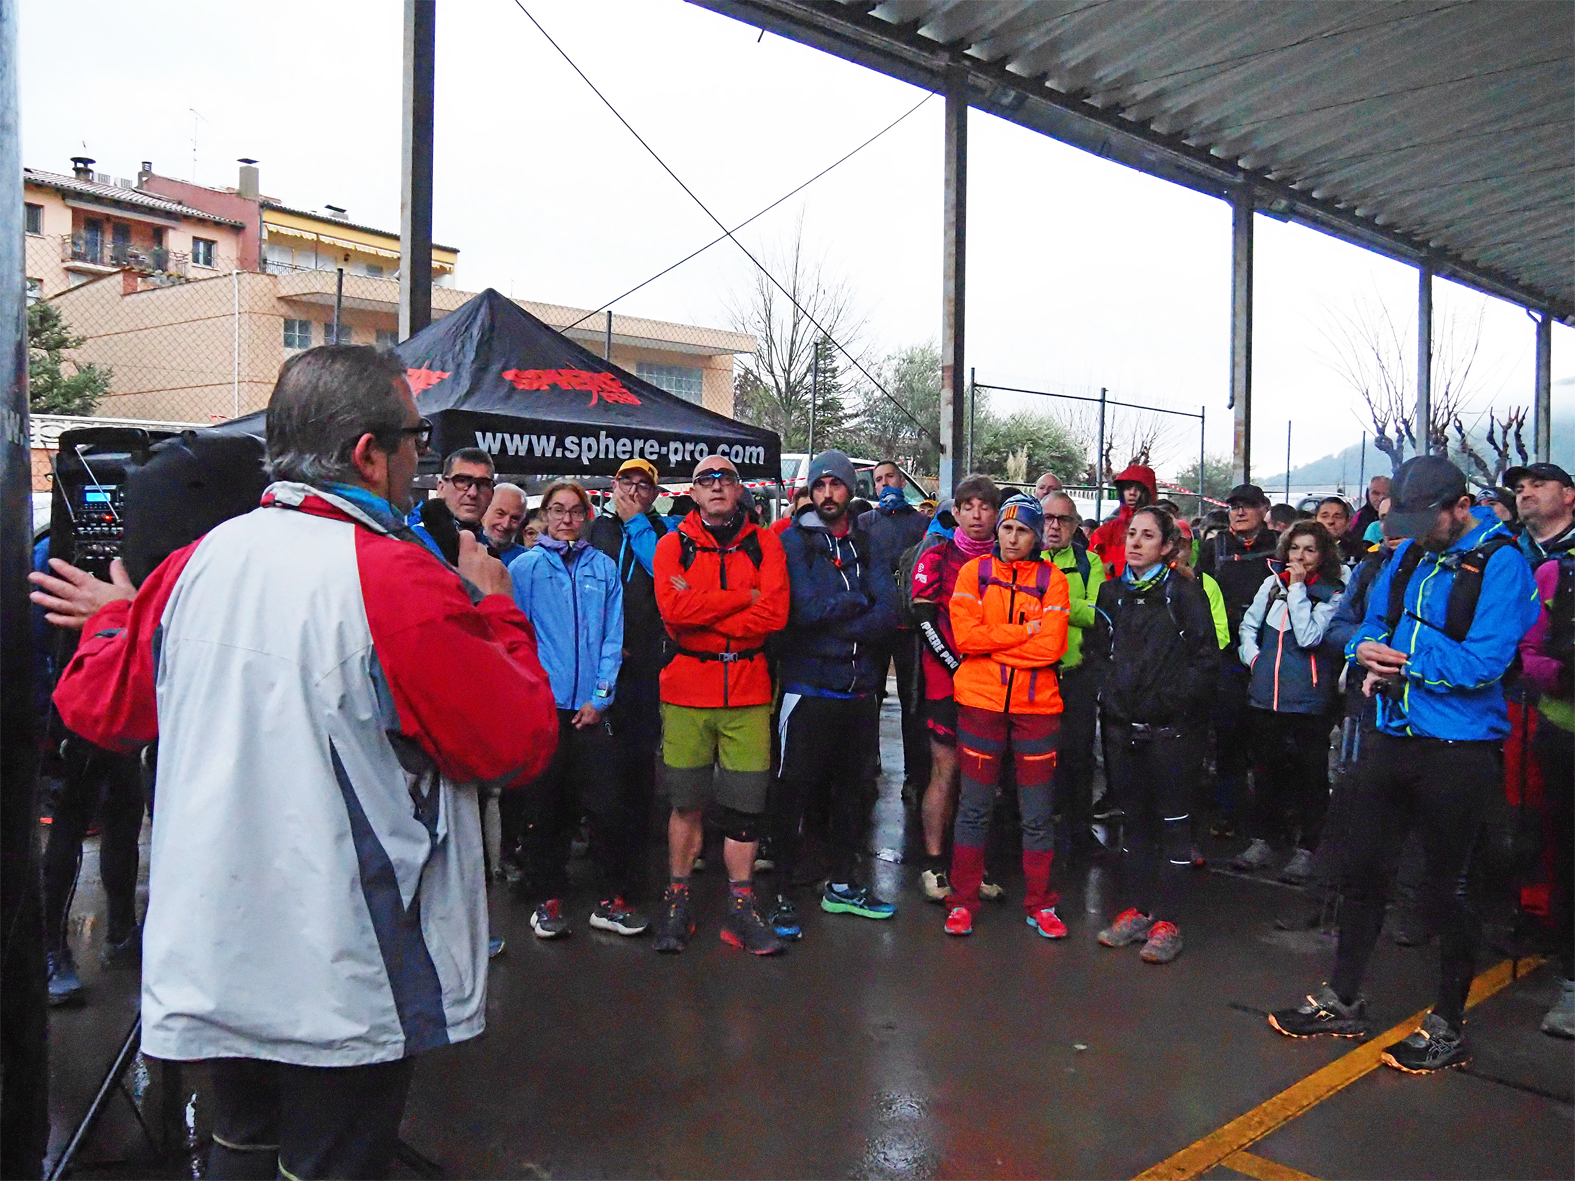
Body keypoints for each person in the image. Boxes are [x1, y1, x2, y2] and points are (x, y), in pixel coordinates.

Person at [33, 345, 558, 1179]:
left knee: (240, 1148)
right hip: (344, 969)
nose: (420, 460)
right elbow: (517, 741)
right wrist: (495, 607)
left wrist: (118, 620)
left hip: (216, 954)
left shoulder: (188, 569)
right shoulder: (401, 580)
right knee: (332, 1162)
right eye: (415, 440)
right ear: (366, 452)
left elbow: (96, 705)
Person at [1269, 456, 1537, 1074]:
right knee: (1363, 873)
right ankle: (1343, 996)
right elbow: (1361, 624)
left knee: (1449, 889)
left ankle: (1448, 1021)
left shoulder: (1501, 563)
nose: (1415, 531)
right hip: (1391, 736)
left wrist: (1401, 657)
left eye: (1427, 518)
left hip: (1459, 751)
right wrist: (1367, 649)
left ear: (1460, 505)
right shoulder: (1407, 554)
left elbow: (1486, 663)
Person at [651, 454, 790, 955]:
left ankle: (741, 906)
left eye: (725, 479)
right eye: (705, 480)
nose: (715, 486)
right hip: (687, 691)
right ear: (691, 491)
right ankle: (678, 899)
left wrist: (705, 608)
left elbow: (774, 615)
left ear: (737, 490)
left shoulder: (765, 541)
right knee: (685, 803)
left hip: (749, 692)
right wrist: (740, 598)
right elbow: (672, 611)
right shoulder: (673, 544)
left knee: (744, 808)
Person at [774, 451, 902, 937]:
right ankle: (783, 890)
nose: (828, 494)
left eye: (837, 484)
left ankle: (843, 884)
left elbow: (888, 613)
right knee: (794, 792)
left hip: (859, 693)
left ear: (850, 489)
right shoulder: (792, 542)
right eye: (820, 485)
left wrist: (846, 619)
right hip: (808, 690)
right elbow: (802, 612)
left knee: (854, 793)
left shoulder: (868, 543)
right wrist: (855, 609)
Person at [1091, 507, 1219, 964]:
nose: (1136, 542)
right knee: (1135, 823)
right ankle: (1139, 910)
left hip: (1172, 732)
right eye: (1132, 534)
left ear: (1167, 546)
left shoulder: (1185, 593)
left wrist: (1169, 702)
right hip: (1124, 729)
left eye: (1148, 536)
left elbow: (1207, 661)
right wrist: (1114, 699)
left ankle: (1169, 921)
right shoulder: (1111, 593)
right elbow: (1098, 653)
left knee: (1173, 825)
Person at [509, 481, 635, 939]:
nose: (566, 519)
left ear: (586, 516)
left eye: (575, 511)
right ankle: (548, 898)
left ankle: (610, 898)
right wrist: (535, 695)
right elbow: (516, 638)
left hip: (591, 711)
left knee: (608, 807)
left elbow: (612, 636)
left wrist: (600, 698)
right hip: (547, 710)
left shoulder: (602, 568)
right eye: (557, 510)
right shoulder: (525, 568)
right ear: (543, 517)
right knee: (547, 808)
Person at [943, 495, 1071, 937]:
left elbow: (1051, 647)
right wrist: (1021, 635)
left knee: (1036, 815)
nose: (1012, 537)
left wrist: (992, 643)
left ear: (1036, 537)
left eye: (1023, 531)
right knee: (973, 809)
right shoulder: (972, 573)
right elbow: (965, 638)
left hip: (1036, 710)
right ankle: (962, 902)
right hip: (980, 705)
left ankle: (1041, 904)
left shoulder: (1053, 579)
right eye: (1007, 529)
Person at [1233, 522, 1345, 881]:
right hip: (1266, 699)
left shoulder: (1333, 593)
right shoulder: (1271, 584)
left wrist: (1297, 591)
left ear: (1323, 554)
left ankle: (1309, 847)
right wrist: (1255, 661)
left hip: (1308, 703)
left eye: (1309, 550)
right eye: (1294, 548)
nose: (1299, 557)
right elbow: (1248, 626)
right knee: (1265, 772)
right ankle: (1265, 838)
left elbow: (1310, 636)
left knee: (1310, 778)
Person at [586, 457, 670, 929]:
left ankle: (633, 872)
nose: (634, 491)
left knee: (639, 771)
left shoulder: (661, 530)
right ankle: (600, 871)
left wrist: (637, 522)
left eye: (644, 485)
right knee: (600, 772)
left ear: (654, 493)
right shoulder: (595, 529)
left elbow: (664, 574)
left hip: (642, 669)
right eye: (627, 482)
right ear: (613, 485)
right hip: (599, 667)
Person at [912, 475, 1001, 902]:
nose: (977, 515)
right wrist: (956, 664)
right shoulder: (938, 554)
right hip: (944, 683)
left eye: (985, 507)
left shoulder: (1009, 558)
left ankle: (972, 864)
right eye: (969, 507)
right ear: (958, 512)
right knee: (945, 771)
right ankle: (933, 864)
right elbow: (923, 619)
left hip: (994, 686)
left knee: (982, 777)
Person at [1198, 483, 1279, 837]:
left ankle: (1269, 819)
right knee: (1228, 738)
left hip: (1268, 656)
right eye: (1234, 506)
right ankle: (1229, 814)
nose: (1240, 512)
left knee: (1268, 742)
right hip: (1226, 658)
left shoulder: (1279, 548)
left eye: (1248, 506)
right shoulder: (1212, 549)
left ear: (1264, 509)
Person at [1519, 550, 1573, 1038]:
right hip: (1565, 734)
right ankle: (1572, 982)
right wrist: (1560, 675)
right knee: (1569, 857)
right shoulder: (1558, 572)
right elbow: (1528, 648)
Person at [858, 460, 932, 796]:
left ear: (902, 481)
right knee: (867, 698)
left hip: (909, 627)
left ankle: (914, 775)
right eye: (878, 480)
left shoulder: (922, 524)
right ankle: (865, 766)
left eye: (890, 477)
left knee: (911, 701)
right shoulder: (864, 524)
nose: (885, 484)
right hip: (874, 624)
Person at [1040, 492, 1106, 852]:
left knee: (1079, 756)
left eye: (1062, 520)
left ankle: (1079, 830)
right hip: (1034, 675)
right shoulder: (1024, 557)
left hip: (1076, 674)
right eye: (1048, 518)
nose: (1054, 526)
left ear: (1075, 525)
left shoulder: (1089, 562)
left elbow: (1097, 613)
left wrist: (1053, 597)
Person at [408, 447, 496, 559]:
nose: (473, 493)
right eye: (462, 481)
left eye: (483, 484)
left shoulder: (491, 549)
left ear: (492, 494)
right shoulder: (414, 541)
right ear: (441, 488)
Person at [1088, 463, 1156, 578]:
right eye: (1128, 488)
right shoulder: (1105, 531)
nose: (1132, 493)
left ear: (1148, 492)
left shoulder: (1161, 530)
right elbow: (1089, 565)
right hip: (1107, 592)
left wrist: (1115, 567)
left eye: (1138, 489)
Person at [1509, 462, 1575, 566]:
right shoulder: (1506, 555)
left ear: (1568, 495)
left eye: (1537, 485)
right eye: (1519, 490)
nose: (1525, 495)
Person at [482, 482, 529, 564]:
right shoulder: (464, 547)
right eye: (500, 514)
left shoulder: (527, 560)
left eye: (515, 518)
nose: (506, 524)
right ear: (485, 510)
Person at [1349, 474, 1391, 545]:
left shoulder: (1401, 518)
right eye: (1375, 493)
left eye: (1386, 494)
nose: (1381, 498)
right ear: (1368, 494)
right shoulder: (1360, 516)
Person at [1314, 496, 1356, 564]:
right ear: (1315, 520)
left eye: (1337, 517)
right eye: (1324, 516)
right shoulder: (1306, 547)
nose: (1330, 521)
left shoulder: (1356, 550)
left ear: (1348, 522)